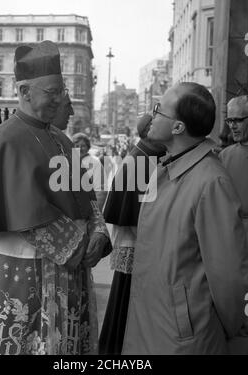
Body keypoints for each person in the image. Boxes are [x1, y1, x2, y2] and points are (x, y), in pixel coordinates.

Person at [0, 41, 111, 355]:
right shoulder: (6, 140)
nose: (61, 99)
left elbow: (86, 197)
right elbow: (27, 216)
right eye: (52, 91)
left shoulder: (62, 139)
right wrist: (81, 248)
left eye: (62, 90)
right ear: (25, 92)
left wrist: (99, 233)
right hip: (29, 271)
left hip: (70, 268)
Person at [122, 82, 248, 355]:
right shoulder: (164, 168)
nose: (152, 115)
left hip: (184, 336)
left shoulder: (211, 182)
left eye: (159, 109)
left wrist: (234, 331)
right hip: (153, 322)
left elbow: (229, 277)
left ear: (178, 127)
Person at [99, 114, 166, 354]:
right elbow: (141, 214)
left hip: (135, 242)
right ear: (149, 130)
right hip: (136, 245)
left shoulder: (145, 154)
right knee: (126, 304)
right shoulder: (143, 160)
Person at [219, 96, 248, 256]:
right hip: (231, 241)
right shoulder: (224, 156)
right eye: (229, 120)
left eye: (238, 120)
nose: (232, 126)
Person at [72, 132, 107, 211]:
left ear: (88, 147)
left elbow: (101, 191)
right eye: (77, 146)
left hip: (89, 209)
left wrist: (95, 213)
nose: (80, 148)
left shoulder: (95, 162)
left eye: (83, 146)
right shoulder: (67, 161)